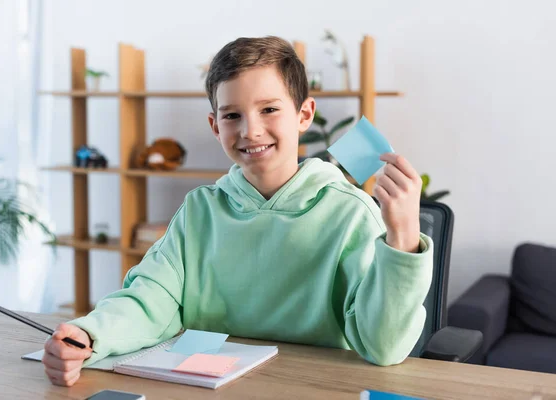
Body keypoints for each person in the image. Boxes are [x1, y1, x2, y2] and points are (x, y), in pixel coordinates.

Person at [42, 36, 433, 387]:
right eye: (232, 116)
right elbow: (151, 298)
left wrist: (402, 238)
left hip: (311, 389)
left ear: (304, 114)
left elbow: (384, 346)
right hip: (204, 386)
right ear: (215, 125)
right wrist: (90, 336)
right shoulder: (200, 210)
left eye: (269, 110)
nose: (250, 131)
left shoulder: (351, 214)